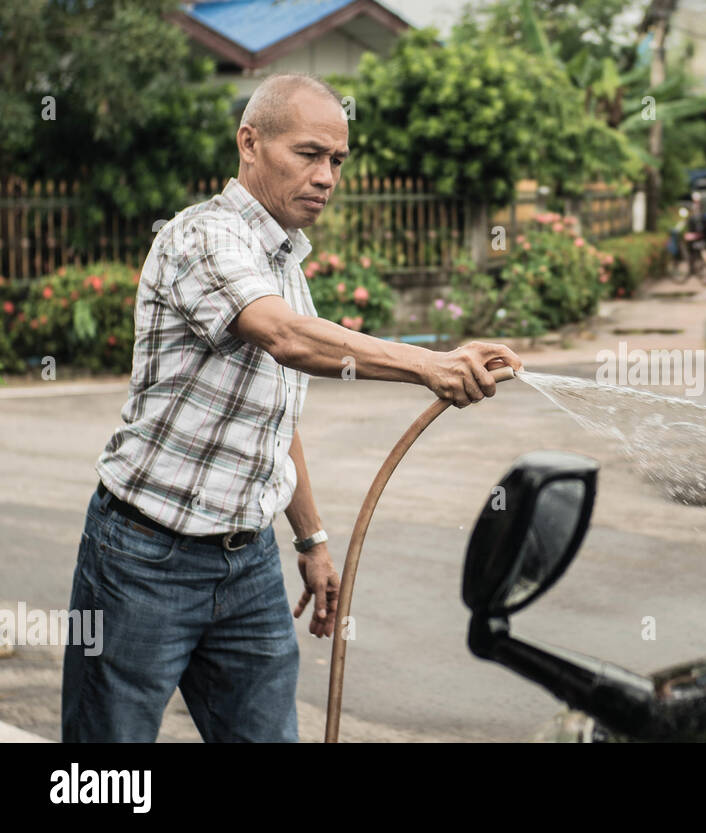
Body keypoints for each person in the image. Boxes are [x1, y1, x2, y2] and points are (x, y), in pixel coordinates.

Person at [62, 73, 523, 742]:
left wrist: (311, 540)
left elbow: (274, 413)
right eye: (309, 153)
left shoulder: (283, 259)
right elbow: (283, 337)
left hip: (246, 562)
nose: (327, 175)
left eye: (337, 159)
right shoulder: (203, 238)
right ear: (250, 142)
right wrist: (428, 363)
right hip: (145, 554)